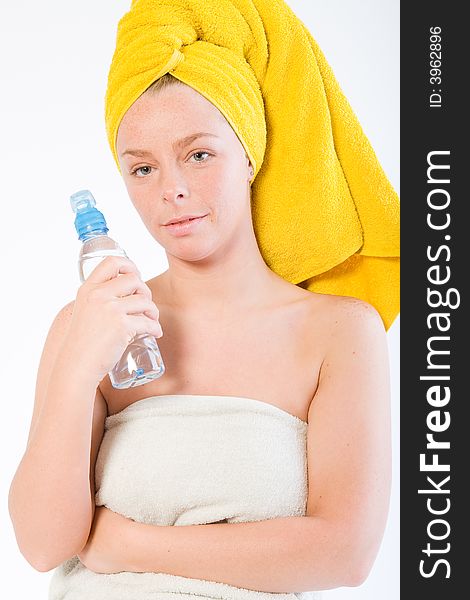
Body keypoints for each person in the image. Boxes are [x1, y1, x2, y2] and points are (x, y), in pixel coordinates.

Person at [8, 1, 399, 598]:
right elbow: (42, 545)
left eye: (198, 153)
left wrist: (127, 544)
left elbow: (343, 553)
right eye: (142, 169)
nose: (174, 190)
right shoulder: (94, 324)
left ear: (248, 153)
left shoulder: (340, 333)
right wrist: (77, 367)